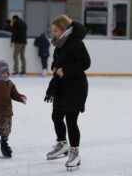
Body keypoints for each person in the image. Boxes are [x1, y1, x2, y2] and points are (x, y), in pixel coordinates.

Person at [44, 15, 91, 169]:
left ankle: (74, 153)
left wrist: (66, 69)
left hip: (76, 87)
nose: (54, 34)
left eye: (56, 30)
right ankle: (62, 144)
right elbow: (56, 61)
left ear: (64, 29)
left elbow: (85, 63)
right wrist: (55, 68)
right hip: (62, 86)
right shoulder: (60, 43)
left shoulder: (76, 43)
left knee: (71, 120)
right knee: (56, 116)